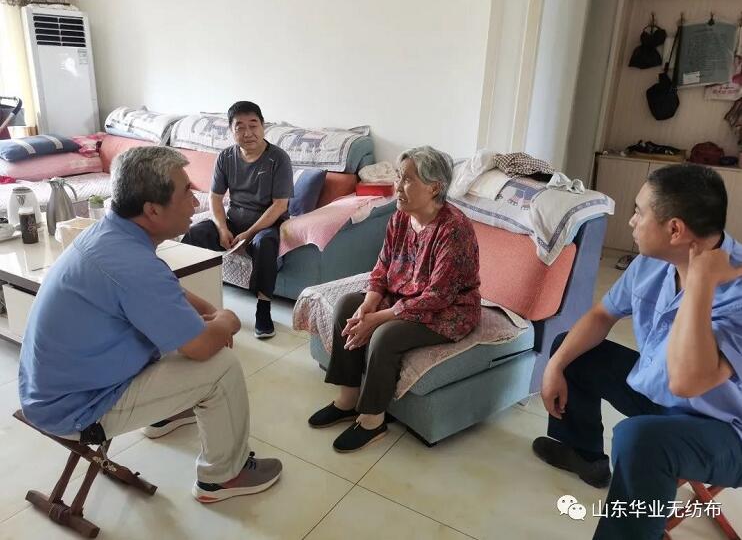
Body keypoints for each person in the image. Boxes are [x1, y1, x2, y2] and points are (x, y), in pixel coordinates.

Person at [18, 146, 282, 504]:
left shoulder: (111, 235)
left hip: (53, 390)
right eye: (187, 193)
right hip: (77, 409)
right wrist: (229, 321)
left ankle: (163, 414)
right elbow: (201, 346)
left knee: (176, 332)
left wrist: (209, 313)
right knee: (220, 366)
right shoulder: (131, 266)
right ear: (152, 210)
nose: (195, 202)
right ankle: (222, 477)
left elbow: (165, 289)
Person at [531, 164, 742, 539]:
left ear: (675, 230)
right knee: (570, 350)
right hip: (659, 393)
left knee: (639, 440)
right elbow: (602, 315)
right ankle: (585, 455)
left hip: (723, 429)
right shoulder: (653, 261)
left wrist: (700, 282)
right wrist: (554, 366)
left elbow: (686, 382)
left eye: (639, 212)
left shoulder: (735, 291)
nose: (631, 221)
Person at [307, 146, 481, 452]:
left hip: (448, 310)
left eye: (408, 179)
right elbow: (382, 266)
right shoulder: (401, 216)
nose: (397, 186)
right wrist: (369, 304)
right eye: (399, 176)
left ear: (435, 187)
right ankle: (348, 400)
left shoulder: (455, 230)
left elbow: (437, 297)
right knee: (348, 305)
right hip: (404, 294)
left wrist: (379, 318)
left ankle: (372, 420)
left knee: (385, 335)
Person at [181, 100, 293, 339]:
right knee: (195, 233)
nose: (248, 133)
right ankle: (187, 301)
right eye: (240, 127)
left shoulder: (278, 158)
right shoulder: (226, 157)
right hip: (233, 220)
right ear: (231, 131)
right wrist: (222, 228)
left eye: (253, 125)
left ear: (263, 126)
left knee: (265, 243)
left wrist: (249, 234)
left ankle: (263, 309)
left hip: (267, 225)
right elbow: (215, 197)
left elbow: (279, 205)